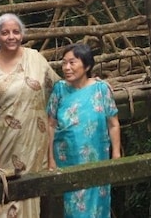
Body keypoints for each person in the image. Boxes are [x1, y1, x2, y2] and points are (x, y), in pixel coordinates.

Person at [0, 13, 61, 218]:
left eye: (15, 32)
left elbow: (59, 87)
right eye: (5, 33)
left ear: (22, 35)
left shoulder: (35, 58)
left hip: (34, 144)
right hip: (3, 146)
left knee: (31, 198)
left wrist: (90, 82)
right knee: (3, 200)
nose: (11, 36)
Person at [46, 43, 121, 218]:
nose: (67, 67)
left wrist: (116, 154)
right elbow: (50, 125)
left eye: (72, 62)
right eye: (64, 63)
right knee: (74, 209)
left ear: (86, 65)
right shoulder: (59, 90)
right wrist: (50, 159)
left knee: (98, 207)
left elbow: (113, 123)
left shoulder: (101, 89)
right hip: (67, 161)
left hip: (97, 160)